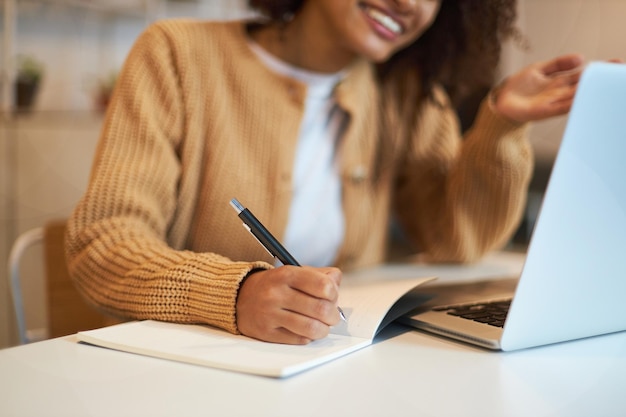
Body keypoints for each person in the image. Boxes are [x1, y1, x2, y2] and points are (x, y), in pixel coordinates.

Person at [65, 0, 585, 345]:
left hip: (326, 373)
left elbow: (457, 239)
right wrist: (234, 293)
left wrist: (501, 126)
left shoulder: (403, 94)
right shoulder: (176, 54)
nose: (410, 4)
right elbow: (103, 244)